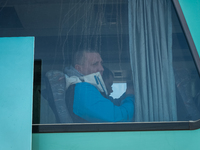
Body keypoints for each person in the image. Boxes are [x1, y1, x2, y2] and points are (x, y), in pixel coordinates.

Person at [64, 49, 135, 123]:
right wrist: (130, 97)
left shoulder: (86, 88)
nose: (102, 68)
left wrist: (127, 95)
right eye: (95, 64)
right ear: (79, 69)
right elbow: (119, 119)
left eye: (101, 63)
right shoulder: (82, 91)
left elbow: (111, 105)